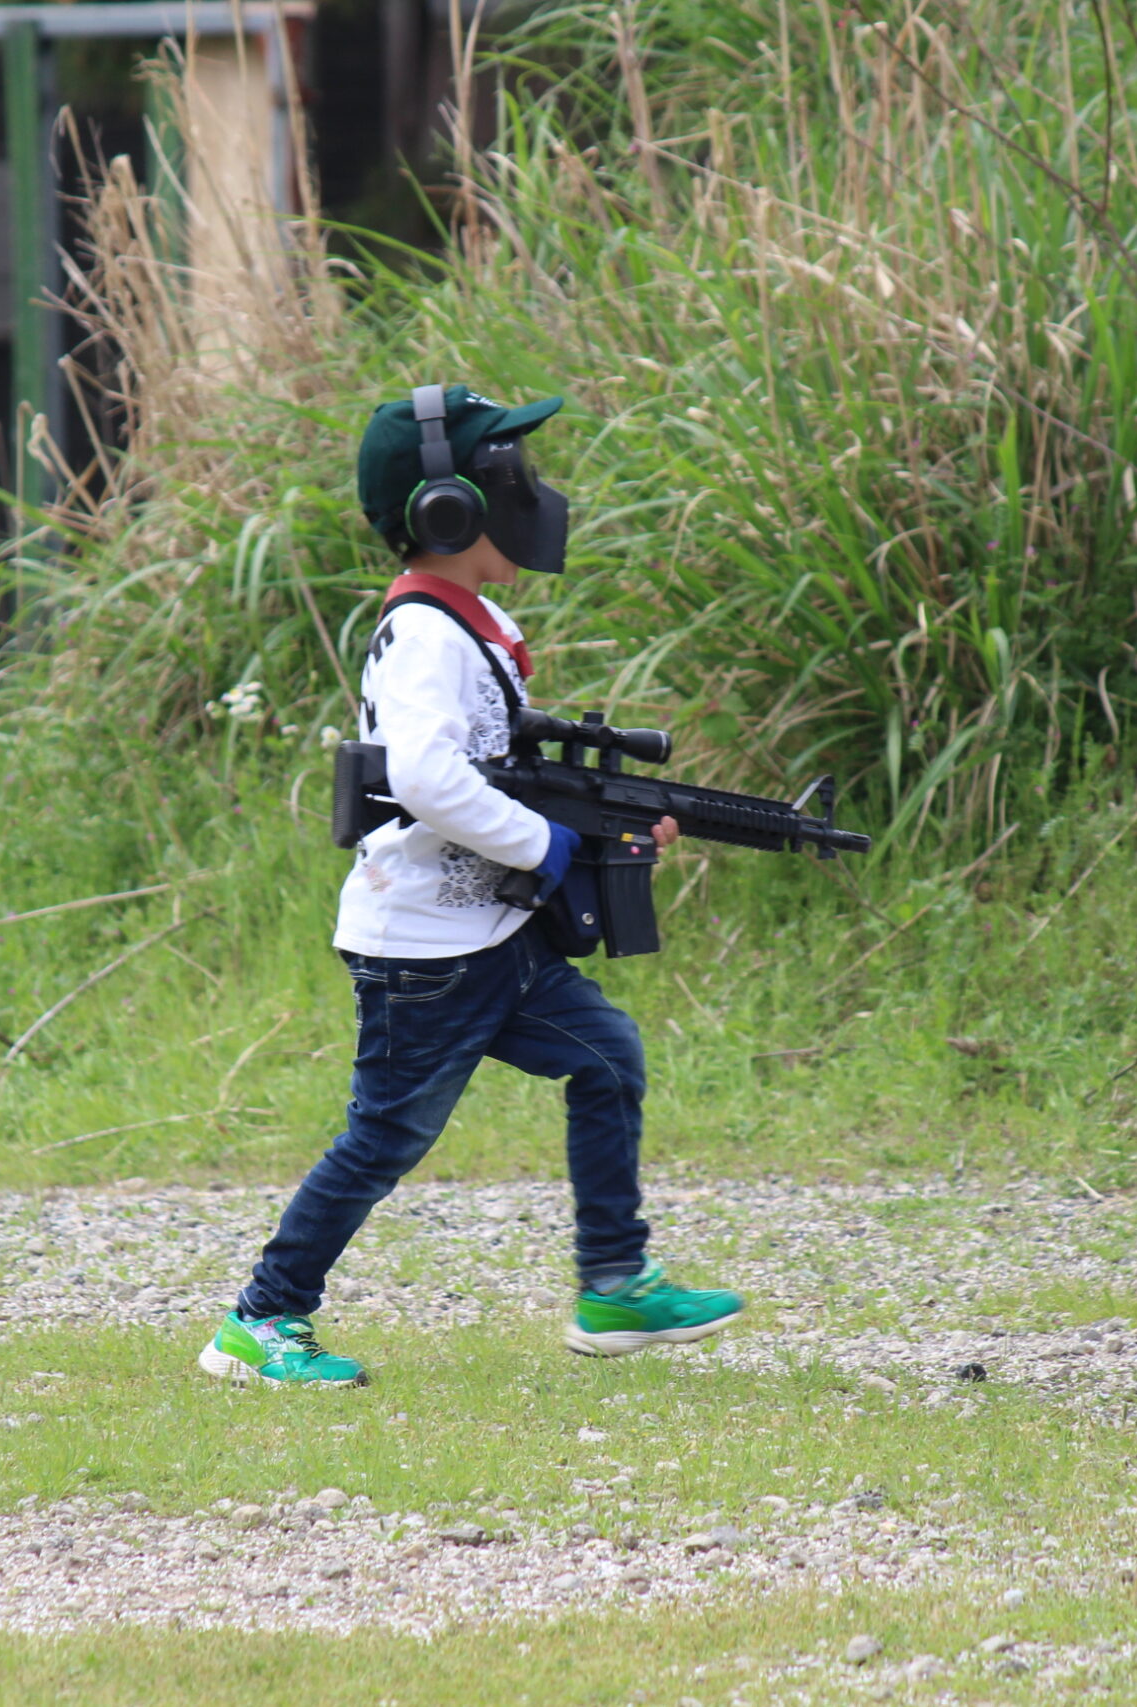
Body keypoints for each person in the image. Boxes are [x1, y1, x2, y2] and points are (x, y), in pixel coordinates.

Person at [198, 383, 744, 1387]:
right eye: (511, 474)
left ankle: (614, 1285)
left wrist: (604, 828)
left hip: (489, 935)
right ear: (448, 510)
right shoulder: (427, 636)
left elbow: (497, 770)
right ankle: (261, 1319)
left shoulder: (472, 623)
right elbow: (423, 776)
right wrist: (545, 845)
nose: (531, 491)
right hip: (424, 953)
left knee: (607, 1055)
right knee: (384, 1139)